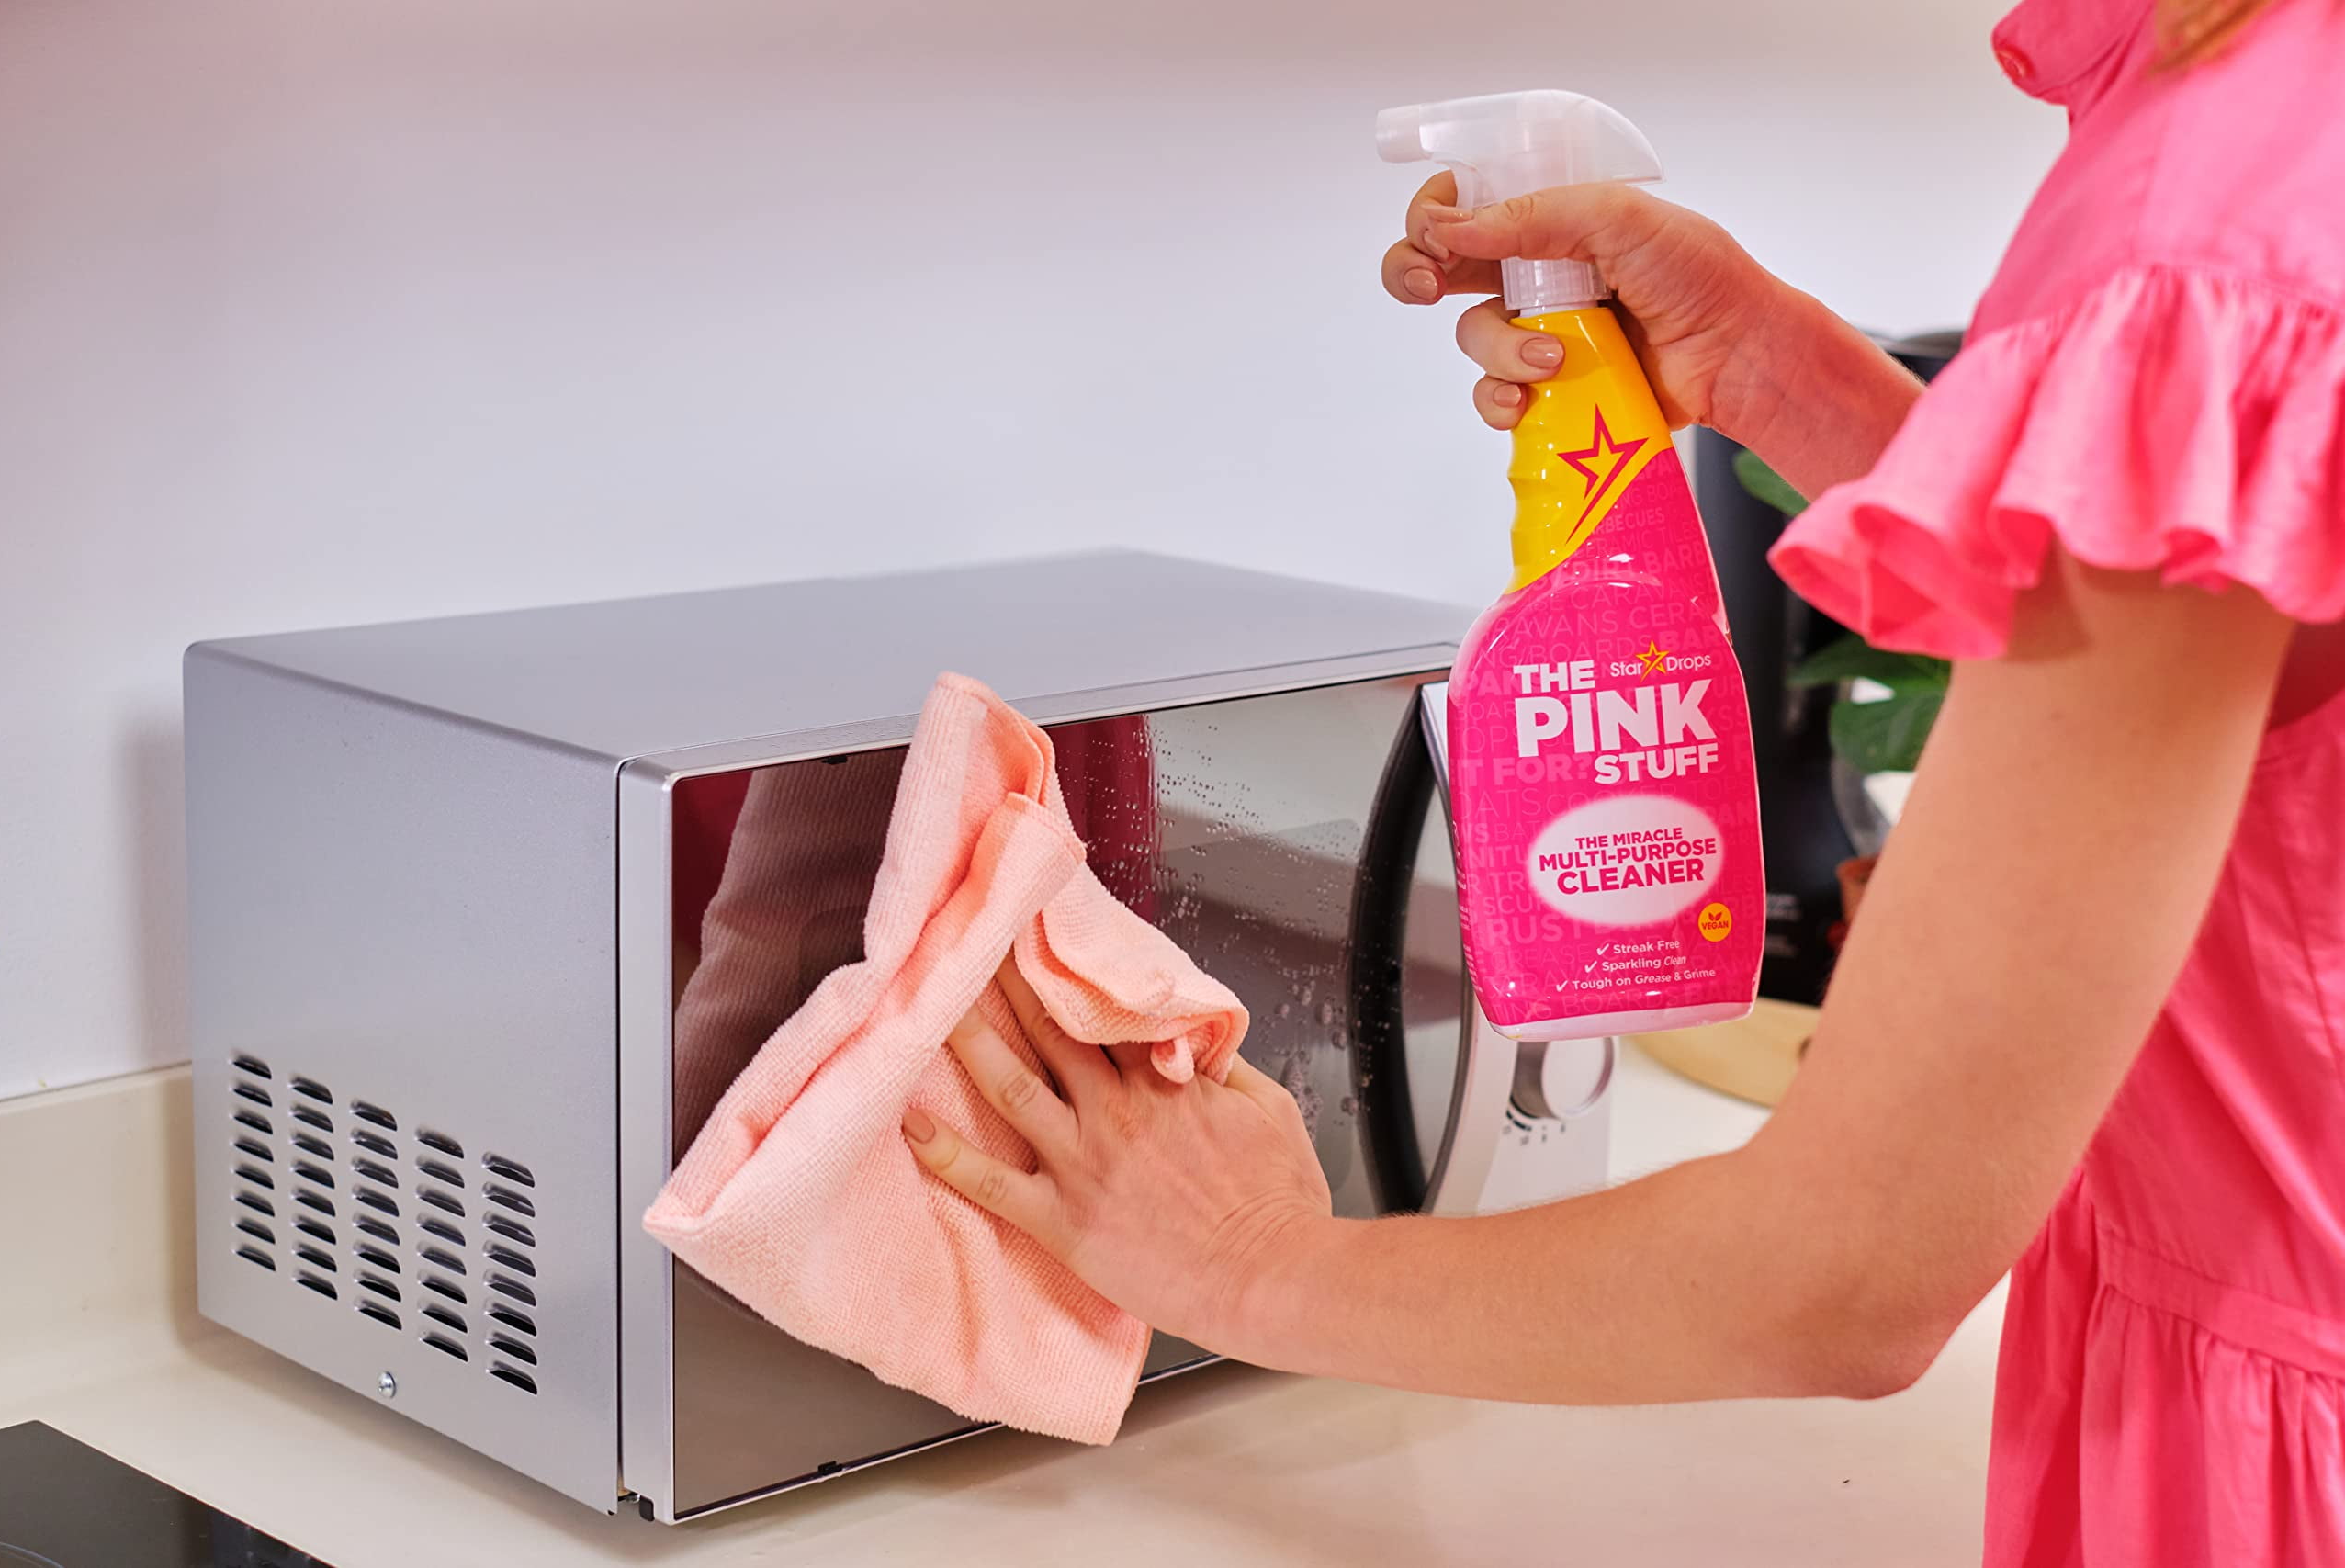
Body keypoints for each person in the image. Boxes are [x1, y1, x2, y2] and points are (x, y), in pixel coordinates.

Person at [901, 0, 2345, 1558]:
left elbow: (1845, 1277)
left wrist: (1242, 1262)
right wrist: (1796, 387)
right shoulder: (2282, 115)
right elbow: (2248, 646)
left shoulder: (2205, 196)